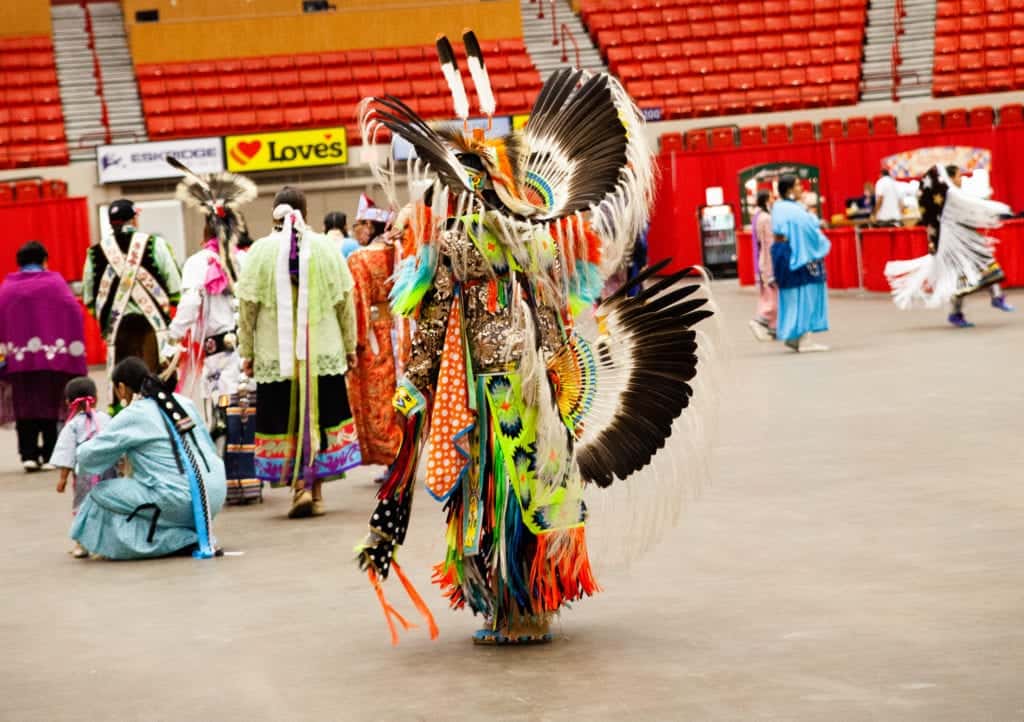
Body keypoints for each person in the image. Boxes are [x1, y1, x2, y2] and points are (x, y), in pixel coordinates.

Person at [353, 39, 717, 646]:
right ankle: (523, 605)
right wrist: (549, 368)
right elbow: (521, 311)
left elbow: (452, 315)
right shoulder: (519, 238)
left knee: (505, 487)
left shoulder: (470, 241)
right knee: (511, 485)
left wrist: (417, 386)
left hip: (493, 388)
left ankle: (514, 605)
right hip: (503, 385)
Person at [236, 186, 361, 519]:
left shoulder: (259, 252)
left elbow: (246, 309)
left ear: (274, 212)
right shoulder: (326, 249)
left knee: (287, 421)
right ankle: (315, 492)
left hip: (276, 356)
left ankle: (298, 489)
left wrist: (246, 352)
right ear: (305, 213)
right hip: (322, 354)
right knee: (317, 419)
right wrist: (350, 347)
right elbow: (345, 303)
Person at [163, 167, 260, 504]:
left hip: (219, 353)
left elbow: (190, 303)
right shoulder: (245, 260)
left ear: (207, 226)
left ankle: (225, 485)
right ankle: (246, 482)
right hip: (247, 351)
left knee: (220, 414)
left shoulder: (199, 262)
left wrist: (173, 335)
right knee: (242, 411)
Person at [71, 357, 226, 560]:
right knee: (150, 486)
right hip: (214, 495)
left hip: (181, 500)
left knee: (100, 493)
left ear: (122, 388)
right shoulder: (183, 402)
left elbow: (89, 456)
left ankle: (179, 540)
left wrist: (78, 457)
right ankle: (186, 532)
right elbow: (208, 444)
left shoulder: (134, 414)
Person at [884, 164, 1014, 327]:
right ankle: (956, 313)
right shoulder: (948, 199)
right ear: (949, 178)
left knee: (986, 262)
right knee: (961, 278)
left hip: (966, 240)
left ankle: (997, 297)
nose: (961, 179)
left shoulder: (954, 197)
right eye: (959, 176)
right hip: (953, 245)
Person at [0, 241, 88, 471]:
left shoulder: (7, 288)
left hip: (19, 362)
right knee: (51, 405)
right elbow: (74, 314)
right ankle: (50, 454)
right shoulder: (56, 284)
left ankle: (28, 455)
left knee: (24, 406)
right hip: (53, 359)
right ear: (44, 260)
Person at [82, 199, 182, 382]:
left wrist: (106, 317)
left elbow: (89, 299)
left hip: (118, 330)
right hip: (151, 326)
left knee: (124, 383)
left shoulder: (94, 253)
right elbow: (175, 286)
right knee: (155, 380)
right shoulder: (155, 244)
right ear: (134, 219)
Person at [345, 225, 405, 475]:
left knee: (378, 398)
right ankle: (403, 451)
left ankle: (392, 453)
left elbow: (357, 300)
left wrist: (355, 342)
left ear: (369, 226)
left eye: (358, 224)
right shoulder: (402, 253)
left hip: (374, 336)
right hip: (402, 330)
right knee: (399, 393)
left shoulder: (360, 259)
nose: (355, 230)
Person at [51, 377, 115, 558]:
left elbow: (67, 453)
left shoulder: (71, 426)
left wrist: (63, 479)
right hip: (108, 470)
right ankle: (105, 543)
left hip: (84, 475)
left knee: (82, 506)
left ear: (68, 402)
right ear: (96, 397)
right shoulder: (106, 418)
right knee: (107, 505)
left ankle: (81, 544)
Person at [771, 174, 831, 352]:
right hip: (797, 253)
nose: (801, 187)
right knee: (805, 293)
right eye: (798, 185)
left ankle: (795, 336)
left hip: (786, 251)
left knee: (794, 295)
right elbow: (807, 228)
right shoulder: (792, 209)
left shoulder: (782, 207)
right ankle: (803, 338)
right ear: (789, 189)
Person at [748, 190, 776, 341]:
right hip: (768, 261)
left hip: (762, 260)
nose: (773, 200)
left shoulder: (757, 216)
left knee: (767, 294)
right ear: (766, 200)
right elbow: (769, 241)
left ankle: (773, 328)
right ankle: (762, 320)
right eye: (771, 197)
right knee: (773, 295)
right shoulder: (766, 218)